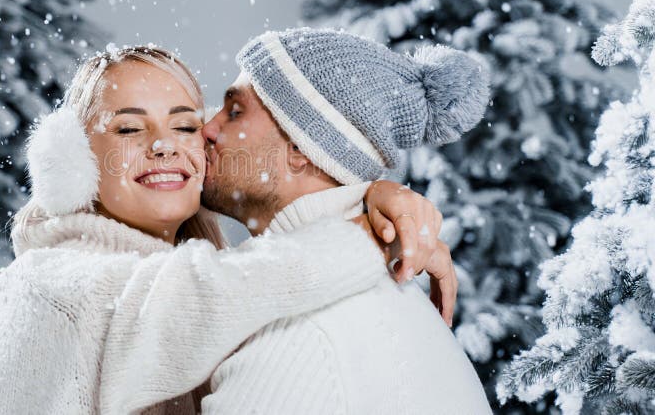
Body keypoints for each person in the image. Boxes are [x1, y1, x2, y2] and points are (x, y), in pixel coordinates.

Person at [0, 45, 455, 414]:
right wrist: (366, 231)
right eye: (129, 129)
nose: (163, 146)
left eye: (184, 126)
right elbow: (199, 297)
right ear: (74, 160)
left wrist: (371, 194)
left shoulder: (215, 292)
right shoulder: (46, 286)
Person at [198, 27, 494, 413]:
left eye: (235, 112)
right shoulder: (380, 297)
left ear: (302, 149)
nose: (208, 128)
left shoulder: (296, 340)